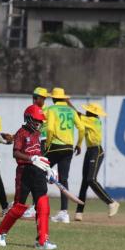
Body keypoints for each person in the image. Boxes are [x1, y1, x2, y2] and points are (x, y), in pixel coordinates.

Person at [0, 105, 57, 250]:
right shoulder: (21, 133)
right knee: (19, 207)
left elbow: (40, 155)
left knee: (43, 205)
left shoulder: (38, 135)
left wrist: (49, 169)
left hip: (38, 173)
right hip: (24, 172)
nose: (39, 123)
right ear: (28, 118)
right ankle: (0, 232)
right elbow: (15, 153)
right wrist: (31, 159)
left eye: (41, 121)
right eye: (36, 120)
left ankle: (42, 241)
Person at [73, 103, 120, 221]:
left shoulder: (93, 120)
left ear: (92, 113)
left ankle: (112, 203)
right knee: (84, 182)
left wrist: (68, 103)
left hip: (97, 151)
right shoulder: (89, 120)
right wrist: (78, 145)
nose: (87, 112)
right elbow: (80, 119)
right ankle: (79, 212)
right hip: (89, 151)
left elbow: (76, 114)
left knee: (91, 179)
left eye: (88, 111)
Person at [45, 87, 85, 224]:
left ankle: (35, 207)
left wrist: (47, 145)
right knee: (64, 179)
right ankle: (64, 213)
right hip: (68, 148)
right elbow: (81, 128)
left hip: (55, 146)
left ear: (53, 98)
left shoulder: (51, 110)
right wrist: (79, 144)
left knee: (38, 172)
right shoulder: (71, 111)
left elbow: (49, 128)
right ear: (63, 98)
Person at [21, 87, 50, 219]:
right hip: (34, 145)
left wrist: (43, 152)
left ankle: (36, 206)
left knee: (39, 178)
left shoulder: (45, 111)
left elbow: (43, 133)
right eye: (37, 97)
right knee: (31, 178)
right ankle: (25, 205)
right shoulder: (31, 110)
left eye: (42, 98)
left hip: (42, 144)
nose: (37, 100)